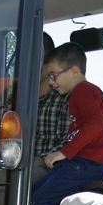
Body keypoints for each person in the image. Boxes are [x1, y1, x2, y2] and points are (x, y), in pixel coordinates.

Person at [29, 43, 103, 205]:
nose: (51, 82)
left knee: (40, 199)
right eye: (49, 77)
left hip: (88, 163)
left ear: (74, 71)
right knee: (34, 192)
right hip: (84, 163)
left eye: (54, 76)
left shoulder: (84, 91)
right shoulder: (80, 95)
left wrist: (64, 153)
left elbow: (95, 125)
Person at [31, 34, 72, 182]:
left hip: (48, 167)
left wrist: (39, 160)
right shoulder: (16, 95)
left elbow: (68, 142)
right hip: (14, 164)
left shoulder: (65, 98)